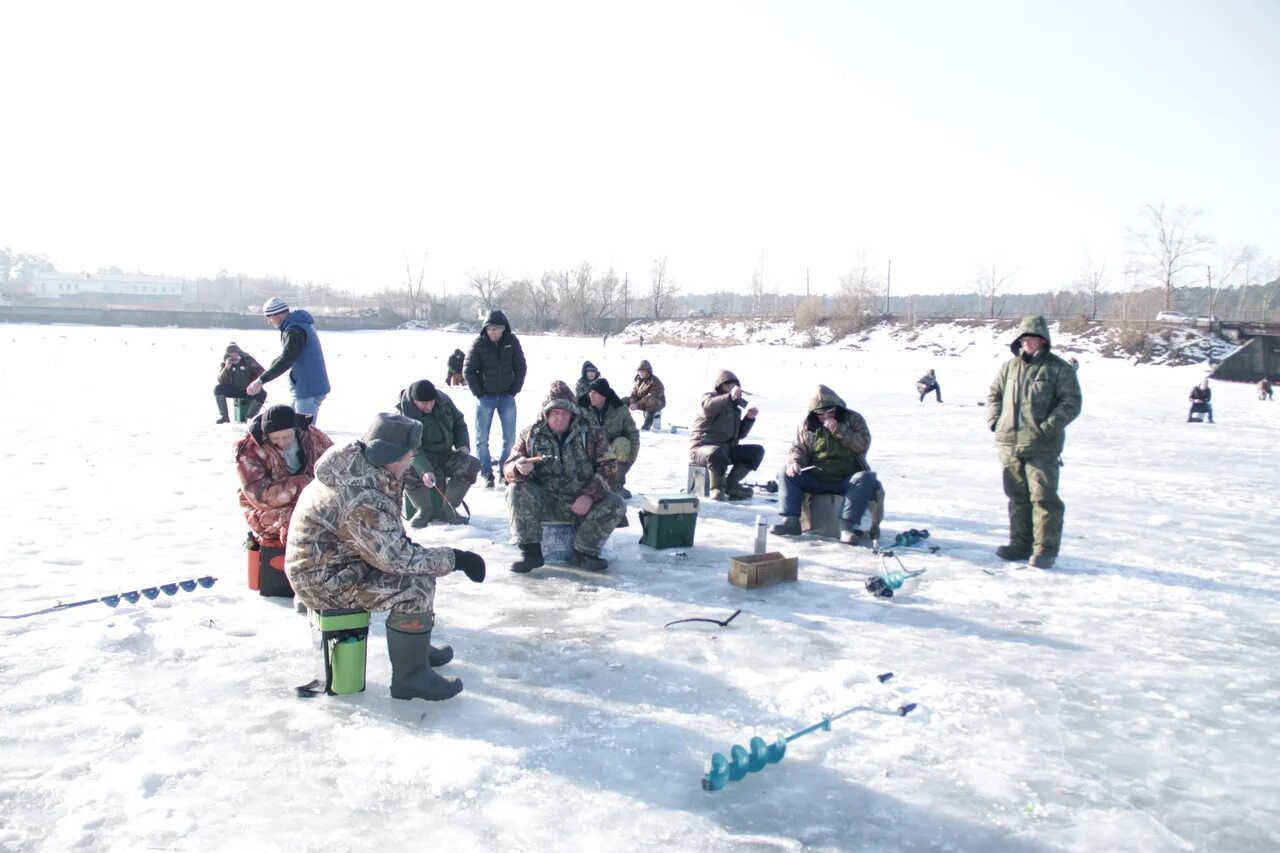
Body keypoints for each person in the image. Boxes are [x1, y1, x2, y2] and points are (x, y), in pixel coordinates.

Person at [285, 413, 487, 702]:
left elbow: (385, 538)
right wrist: (457, 558)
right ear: (388, 454)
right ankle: (411, 678)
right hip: (323, 580)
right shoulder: (361, 496)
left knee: (416, 576)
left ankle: (412, 645)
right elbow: (395, 558)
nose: (410, 462)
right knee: (415, 587)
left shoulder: (360, 464)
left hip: (336, 563)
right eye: (407, 456)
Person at [987, 316, 1083, 569]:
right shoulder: (1009, 367)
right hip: (1009, 443)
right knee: (1016, 497)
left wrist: (1048, 427)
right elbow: (994, 394)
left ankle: (1045, 549)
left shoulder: (1058, 369)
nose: (1026, 342)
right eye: (1023, 338)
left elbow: (1071, 403)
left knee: (1043, 498)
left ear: (1043, 340)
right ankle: (1019, 543)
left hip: (1042, 446)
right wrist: (995, 420)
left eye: (1031, 337)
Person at [503, 394, 626, 574]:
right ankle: (530, 553)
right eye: (555, 413)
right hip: (544, 503)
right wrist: (518, 469)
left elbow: (609, 466)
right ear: (546, 414)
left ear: (573, 415)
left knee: (616, 503)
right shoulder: (529, 435)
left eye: (565, 414)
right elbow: (508, 467)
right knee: (516, 489)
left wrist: (589, 496)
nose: (560, 418)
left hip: (581, 505)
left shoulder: (591, 434)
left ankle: (584, 552)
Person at [770, 386, 880, 544]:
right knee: (785, 473)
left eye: (830, 412)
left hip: (847, 479)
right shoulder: (807, 425)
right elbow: (798, 449)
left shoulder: (854, 419)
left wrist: (838, 429)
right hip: (818, 476)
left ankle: (846, 527)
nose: (826, 417)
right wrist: (795, 462)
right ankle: (791, 521)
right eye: (821, 414)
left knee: (865, 478)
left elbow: (862, 444)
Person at [235, 404, 333, 547]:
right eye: (275, 438)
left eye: (286, 436)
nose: (281, 442)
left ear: (296, 429)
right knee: (303, 519)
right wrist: (302, 485)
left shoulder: (314, 437)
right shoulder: (249, 449)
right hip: (267, 510)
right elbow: (259, 496)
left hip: (314, 499)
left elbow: (334, 465)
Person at [394, 379, 481, 528]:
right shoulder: (403, 414)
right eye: (423, 403)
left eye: (431, 401)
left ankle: (449, 509)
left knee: (471, 464)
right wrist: (425, 470)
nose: (428, 406)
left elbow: (459, 423)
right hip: (418, 458)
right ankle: (423, 510)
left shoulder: (444, 402)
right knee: (404, 469)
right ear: (414, 401)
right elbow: (413, 448)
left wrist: (462, 445)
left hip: (444, 454)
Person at [463, 309, 527, 488]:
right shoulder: (479, 344)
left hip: (507, 397)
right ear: (485, 329)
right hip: (485, 398)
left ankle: (504, 471)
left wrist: (514, 389)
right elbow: (468, 370)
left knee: (510, 438)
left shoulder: (512, 342)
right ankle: (486, 473)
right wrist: (479, 392)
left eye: (497, 329)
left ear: (503, 329)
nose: (493, 332)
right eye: (490, 328)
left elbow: (521, 366)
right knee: (482, 438)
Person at [246, 298, 331, 423]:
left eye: (269, 317)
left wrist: (261, 380)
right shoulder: (300, 325)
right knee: (287, 425)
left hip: (308, 389)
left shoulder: (294, 330)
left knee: (303, 433)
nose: (269, 321)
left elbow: (287, 359)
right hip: (306, 387)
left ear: (278, 314)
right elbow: (289, 354)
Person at [689, 370, 764, 502]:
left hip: (725, 450)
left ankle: (732, 485)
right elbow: (707, 408)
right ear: (720, 386)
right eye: (728, 384)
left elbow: (739, 435)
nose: (732, 387)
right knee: (715, 452)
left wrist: (749, 419)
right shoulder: (708, 397)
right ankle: (718, 490)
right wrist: (729, 397)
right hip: (701, 449)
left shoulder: (735, 408)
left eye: (734, 385)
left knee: (756, 451)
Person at [578, 376, 640, 501]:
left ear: (604, 395)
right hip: (587, 451)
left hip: (609, 452)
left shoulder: (620, 409)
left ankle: (615, 486)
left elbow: (632, 434)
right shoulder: (581, 408)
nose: (591, 395)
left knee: (623, 443)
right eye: (590, 392)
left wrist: (630, 458)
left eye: (595, 393)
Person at [215, 342, 267, 424]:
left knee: (262, 394)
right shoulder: (226, 362)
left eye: (235, 353)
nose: (233, 356)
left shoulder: (248, 360)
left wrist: (254, 372)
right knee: (218, 389)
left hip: (249, 389)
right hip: (234, 389)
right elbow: (221, 380)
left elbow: (262, 372)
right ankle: (224, 417)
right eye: (231, 354)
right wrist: (226, 368)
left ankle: (250, 417)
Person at [629, 359, 666, 431]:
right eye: (639, 371)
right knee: (624, 400)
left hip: (657, 402)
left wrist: (636, 404)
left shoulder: (655, 381)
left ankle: (647, 425)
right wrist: (632, 402)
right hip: (641, 401)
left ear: (648, 371)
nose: (640, 373)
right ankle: (623, 423)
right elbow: (634, 393)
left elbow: (650, 396)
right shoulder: (638, 380)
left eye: (642, 371)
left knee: (651, 401)